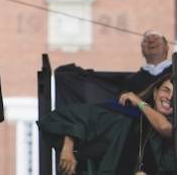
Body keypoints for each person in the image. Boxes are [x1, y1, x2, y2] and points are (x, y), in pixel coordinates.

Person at [38, 73, 175, 174]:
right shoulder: (125, 117)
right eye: (165, 90)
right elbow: (75, 117)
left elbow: (166, 128)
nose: (169, 97)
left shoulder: (171, 136)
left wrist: (139, 102)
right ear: (155, 92)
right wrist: (68, 147)